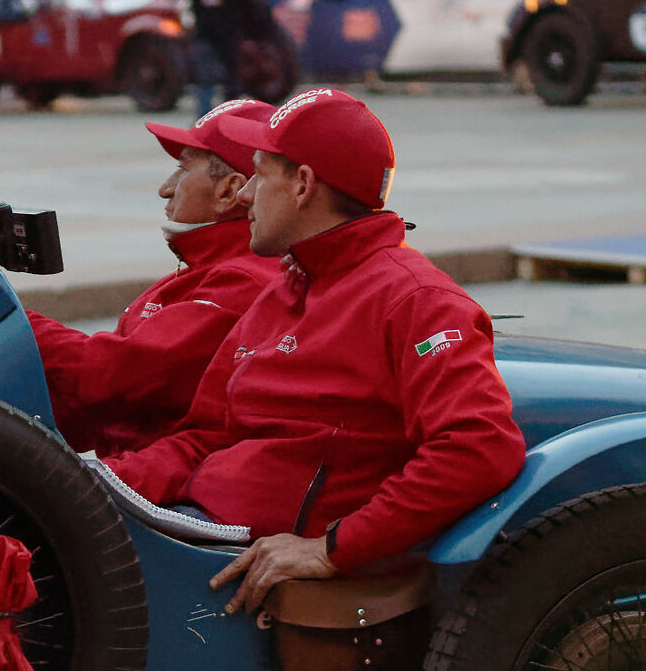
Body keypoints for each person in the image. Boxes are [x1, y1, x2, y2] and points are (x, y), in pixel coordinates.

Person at [103, 89, 527, 613]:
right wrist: (92, 483)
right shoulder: (284, 287)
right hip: (199, 529)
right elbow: (204, 437)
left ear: (302, 184)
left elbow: (479, 446)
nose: (244, 195)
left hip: (250, 561)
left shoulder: (416, 299)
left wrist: (332, 549)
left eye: (259, 174)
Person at [27, 98, 282, 455]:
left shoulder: (244, 281)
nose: (166, 187)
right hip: (134, 476)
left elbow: (115, 375)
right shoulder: (203, 269)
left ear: (228, 191)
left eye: (182, 168)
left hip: (156, 493)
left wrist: (11, 322)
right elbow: (96, 409)